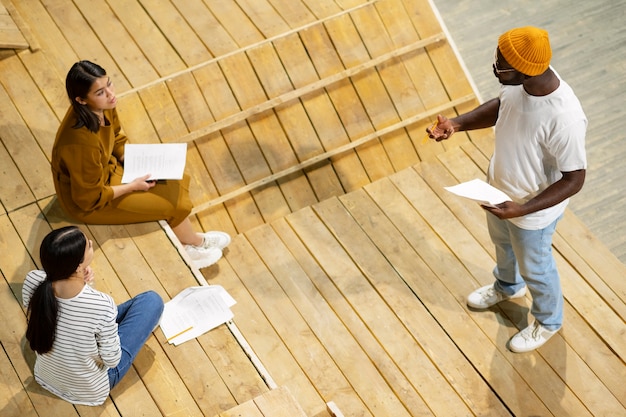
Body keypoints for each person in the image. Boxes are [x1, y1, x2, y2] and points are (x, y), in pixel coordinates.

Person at [427, 26, 587, 352]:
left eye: (502, 64)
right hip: (499, 193)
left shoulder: (564, 118)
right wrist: (457, 123)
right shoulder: (520, 85)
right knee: (503, 248)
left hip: (530, 211)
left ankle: (548, 321)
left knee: (537, 268)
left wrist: (522, 209)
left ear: (526, 71)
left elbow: (575, 179)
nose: (495, 66)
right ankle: (508, 286)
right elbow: (502, 107)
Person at [51, 60, 230, 268]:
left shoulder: (104, 106)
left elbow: (116, 136)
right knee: (173, 205)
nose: (110, 94)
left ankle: (189, 240)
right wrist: (132, 186)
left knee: (173, 180)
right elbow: (88, 197)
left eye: (109, 84)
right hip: (90, 201)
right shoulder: (80, 143)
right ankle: (193, 243)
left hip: (106, 171)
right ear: (81, 100)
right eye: (100, 92)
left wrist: (131, 158)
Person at [23, 226, 164, 405]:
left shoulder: (32, 280)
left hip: (45, 375)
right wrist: (87, 287)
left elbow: (72, 312)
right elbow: (112, 360)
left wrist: (81, 281)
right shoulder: (103, 305)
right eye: (87, 246)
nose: (91, 243)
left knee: (103, 324)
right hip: (90, 390)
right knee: (152, 300)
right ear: (77, 266)